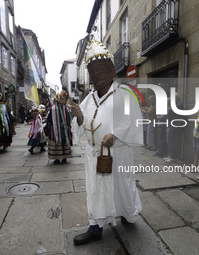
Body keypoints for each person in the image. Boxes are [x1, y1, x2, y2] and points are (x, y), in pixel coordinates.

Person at [70, 39, 143, 245]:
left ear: (109, 71)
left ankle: (127, 214)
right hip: (95, 155)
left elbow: (133, 120)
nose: (97, 78)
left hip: (118, 153)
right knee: (96, 189)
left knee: (122, 186)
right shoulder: (89, 98)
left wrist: (116, 135)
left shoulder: (124, 93)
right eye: (94, 74)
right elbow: (84, 125)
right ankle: (95, 227)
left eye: (100, 72)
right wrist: (78, 116)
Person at [47, 91, 72, 164]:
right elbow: (68, 118)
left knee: (56, 142)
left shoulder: (53, 109)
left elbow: (49, 119)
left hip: (55, 130)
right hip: (64, 129)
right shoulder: (65, 108)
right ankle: (64, 157)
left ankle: (57, 158)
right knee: (64, 141)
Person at [164, 92, 184, 163]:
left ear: (176, 98)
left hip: (172, 125)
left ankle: (172, 156)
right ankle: (170, 155)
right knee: (168, 141)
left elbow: (168, 111)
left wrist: (168, 108)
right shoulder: (174, 105)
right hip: (169, 124)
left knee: (170, 141)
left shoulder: (178, 105)